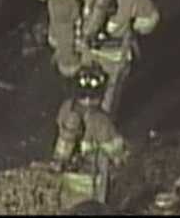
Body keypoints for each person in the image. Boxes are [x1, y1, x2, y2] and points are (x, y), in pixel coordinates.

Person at [73, 0, 160, 113]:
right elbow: (149, 22)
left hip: (87, 48)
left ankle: (81, 115)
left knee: (85, 86)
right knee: (110, 95)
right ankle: (103, 122)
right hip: (113, 56)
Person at [53, 66, 127, 211]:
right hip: (90, 184)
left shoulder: (66, 107)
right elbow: (118, 155)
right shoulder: (101, 121)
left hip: (68, 179)